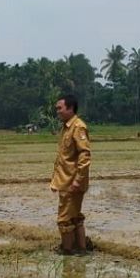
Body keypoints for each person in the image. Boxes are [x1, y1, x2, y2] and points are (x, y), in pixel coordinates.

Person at [50, 94, 91, 255]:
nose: (57, 111)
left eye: (60, 108)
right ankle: (80, 249)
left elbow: (85, 155)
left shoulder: (78, 127)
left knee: (64, 219)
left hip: (72, 183)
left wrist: (77, 180)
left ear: (70, 108)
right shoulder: (67, 127)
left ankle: (67, 251)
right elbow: (64, 158)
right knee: (74, 217)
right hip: (65, 180)